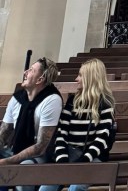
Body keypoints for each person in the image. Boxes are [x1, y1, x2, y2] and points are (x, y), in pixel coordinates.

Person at [40, 59, 115, 191]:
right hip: (69, 153)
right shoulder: (72, 101)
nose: (76, 79)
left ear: (90, 78)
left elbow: (102, 139)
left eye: (80, 75)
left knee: (76, 186)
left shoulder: (105, 104)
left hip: (92, 156)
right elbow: (61, 134)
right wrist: (62, 161)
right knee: (46, 187)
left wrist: (83, 161)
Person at [0, 56, 63, 187]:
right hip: (14, 149)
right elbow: (3, 134)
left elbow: (40, 147)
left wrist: (7, 161)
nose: (25, 72)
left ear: (40, 79)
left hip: (42, 155)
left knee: (24, 169)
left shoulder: (52, 100)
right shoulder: (17, 98)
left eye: (31, 70)